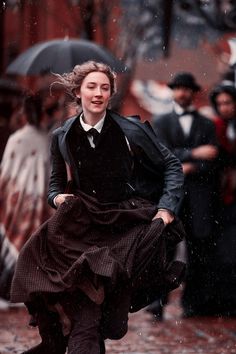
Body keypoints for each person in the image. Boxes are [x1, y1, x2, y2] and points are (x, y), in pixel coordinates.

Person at [11, 61, 186, 354]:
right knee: (35, 262)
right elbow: (54, 184)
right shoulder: (62, 135)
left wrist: (166, 209)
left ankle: (79, 337)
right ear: (78, 92)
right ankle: (65, 337)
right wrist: (56, 198)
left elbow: (171, 165)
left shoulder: (131, 130)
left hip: (123, 223)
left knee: (100, 305)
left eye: (105, 88)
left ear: (110, 94)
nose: (98, 93)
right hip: (80, 223)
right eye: (91, 87)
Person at [151, 72, 219, 318]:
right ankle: (157, 304)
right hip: (171, 198)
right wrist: (193, 154)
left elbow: (213, 159)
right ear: (173, 91)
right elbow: (162, 156)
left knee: (198, 251)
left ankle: (193, 304)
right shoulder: (161, 122)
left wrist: (186, 164)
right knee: (164, 251)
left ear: (193, 92)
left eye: (187, 88)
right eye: (178, 88)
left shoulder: (207, 124)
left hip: (200, 199)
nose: (183, 93)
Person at [0, 93, 52, 301]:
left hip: (14, 198)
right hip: (37, 201)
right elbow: (49, 174)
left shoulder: (16, 139)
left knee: (12, 240)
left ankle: (6, 290)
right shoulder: (45, 140)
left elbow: (5, 172)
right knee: (31, 244)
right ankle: (24, 289)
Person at [207, 84, 236, 316]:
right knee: (224, 252)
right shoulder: (214, 127)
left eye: (229, 103)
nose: (225, 108)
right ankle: (224, 302)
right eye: (221, 104)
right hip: (221, 196)